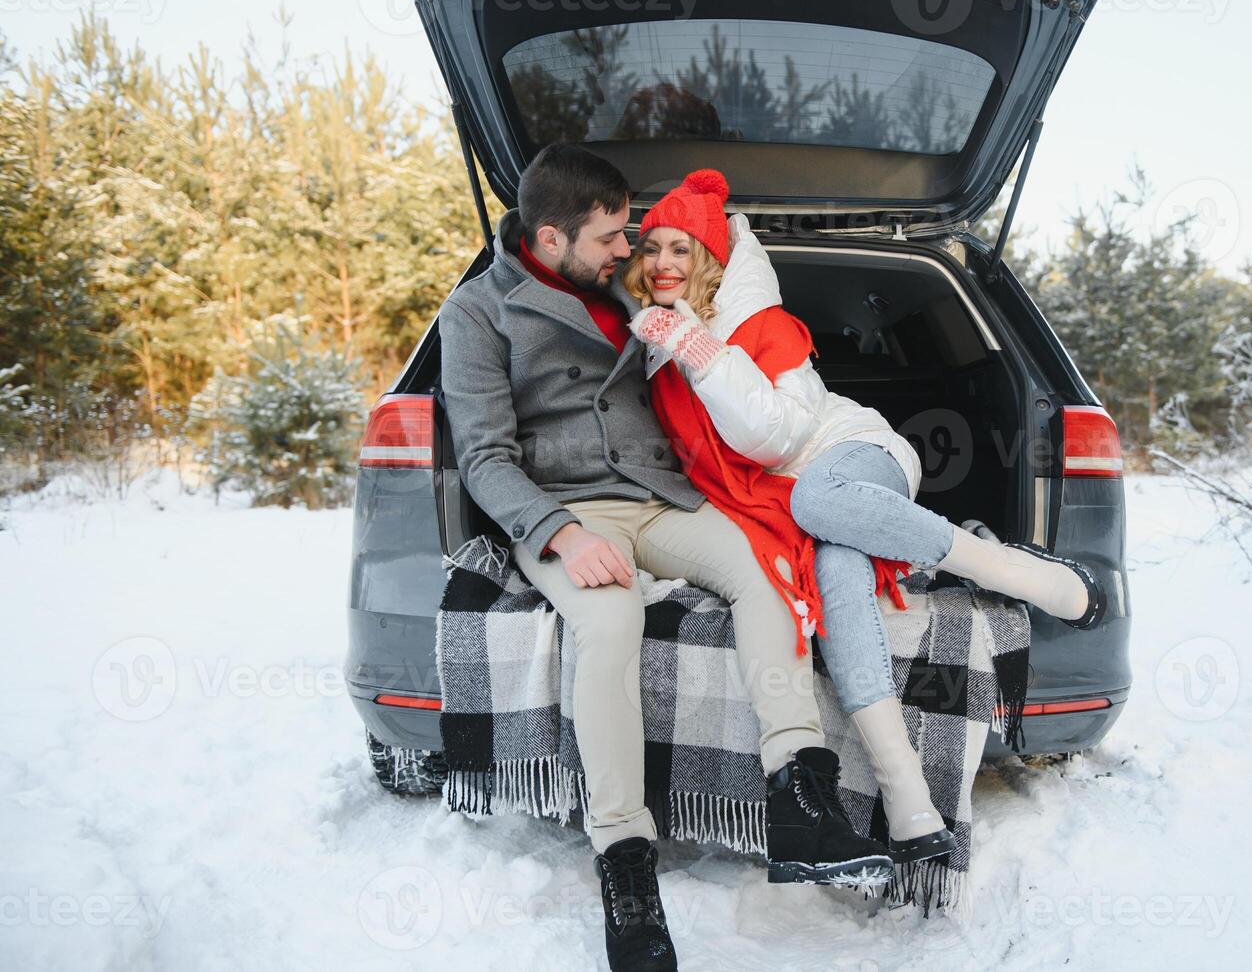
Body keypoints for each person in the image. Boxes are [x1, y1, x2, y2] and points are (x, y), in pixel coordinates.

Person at [437, 145, 892, 972]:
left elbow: (729, 275)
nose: (631, 251)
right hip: (570, 510)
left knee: (765, 570)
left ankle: (798, 787)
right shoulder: (477, 312)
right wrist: (561, 536)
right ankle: (624, 861)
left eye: (633, 235)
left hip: (664, 495)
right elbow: (483, 456)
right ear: (550, 237)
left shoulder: (621, 284)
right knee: (607, 628)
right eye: (614, 236)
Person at [622, 168, 1107, 867]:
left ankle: (1023, 574)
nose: (663, 263)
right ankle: (907, 797)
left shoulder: (758, 325)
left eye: (680, 250)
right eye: (652, 248)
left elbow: (774, 438)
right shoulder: (654, 348)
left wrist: (701, 351)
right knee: (836, 573)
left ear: (709, 262)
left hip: (853, 455)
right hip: (795, 505)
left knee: (821, 500)